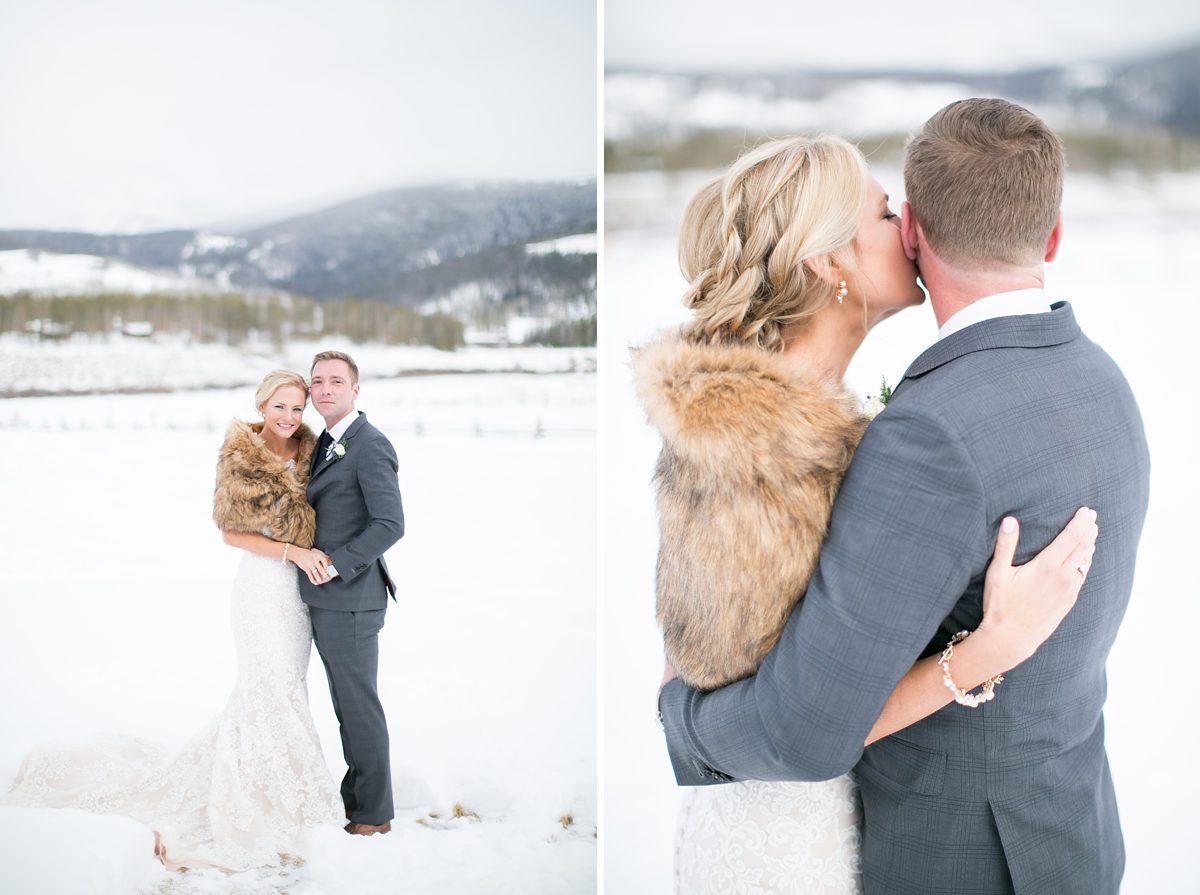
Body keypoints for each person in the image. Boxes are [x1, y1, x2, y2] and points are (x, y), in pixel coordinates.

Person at [654, 102, 1150, 894]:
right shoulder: (1101, 382)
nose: (892, 227)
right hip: (1067, 838)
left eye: (893, 213)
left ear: (917, 231)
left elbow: (805, 726)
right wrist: (986, 650)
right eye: (877, 213)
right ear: (1052, 236)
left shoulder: (926, 434)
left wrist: (682, 722)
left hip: (960, 856)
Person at [5, 370, 344, 871]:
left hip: (296, 596)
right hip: (260, 589)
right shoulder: (242, 456)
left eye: (298, 409)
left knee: (287, 688)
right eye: (281, 407)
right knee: (265, 687)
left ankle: (280, 793)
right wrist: (294, 552)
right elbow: (231, 534)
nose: (290, 417)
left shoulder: (313, 451)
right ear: (262, 406)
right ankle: (257, 806)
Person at [299, 350, 405, 836]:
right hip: (326, 600)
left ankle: (374, 815)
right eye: (317, 381)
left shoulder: (369, 444)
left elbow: (390, 524)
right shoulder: (326, 441)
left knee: (359, 707)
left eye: (335, 382)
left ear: (355, 390)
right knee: (346, 707)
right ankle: (356, 800)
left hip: (353, 599)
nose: (324, 390)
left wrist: (336, 566)